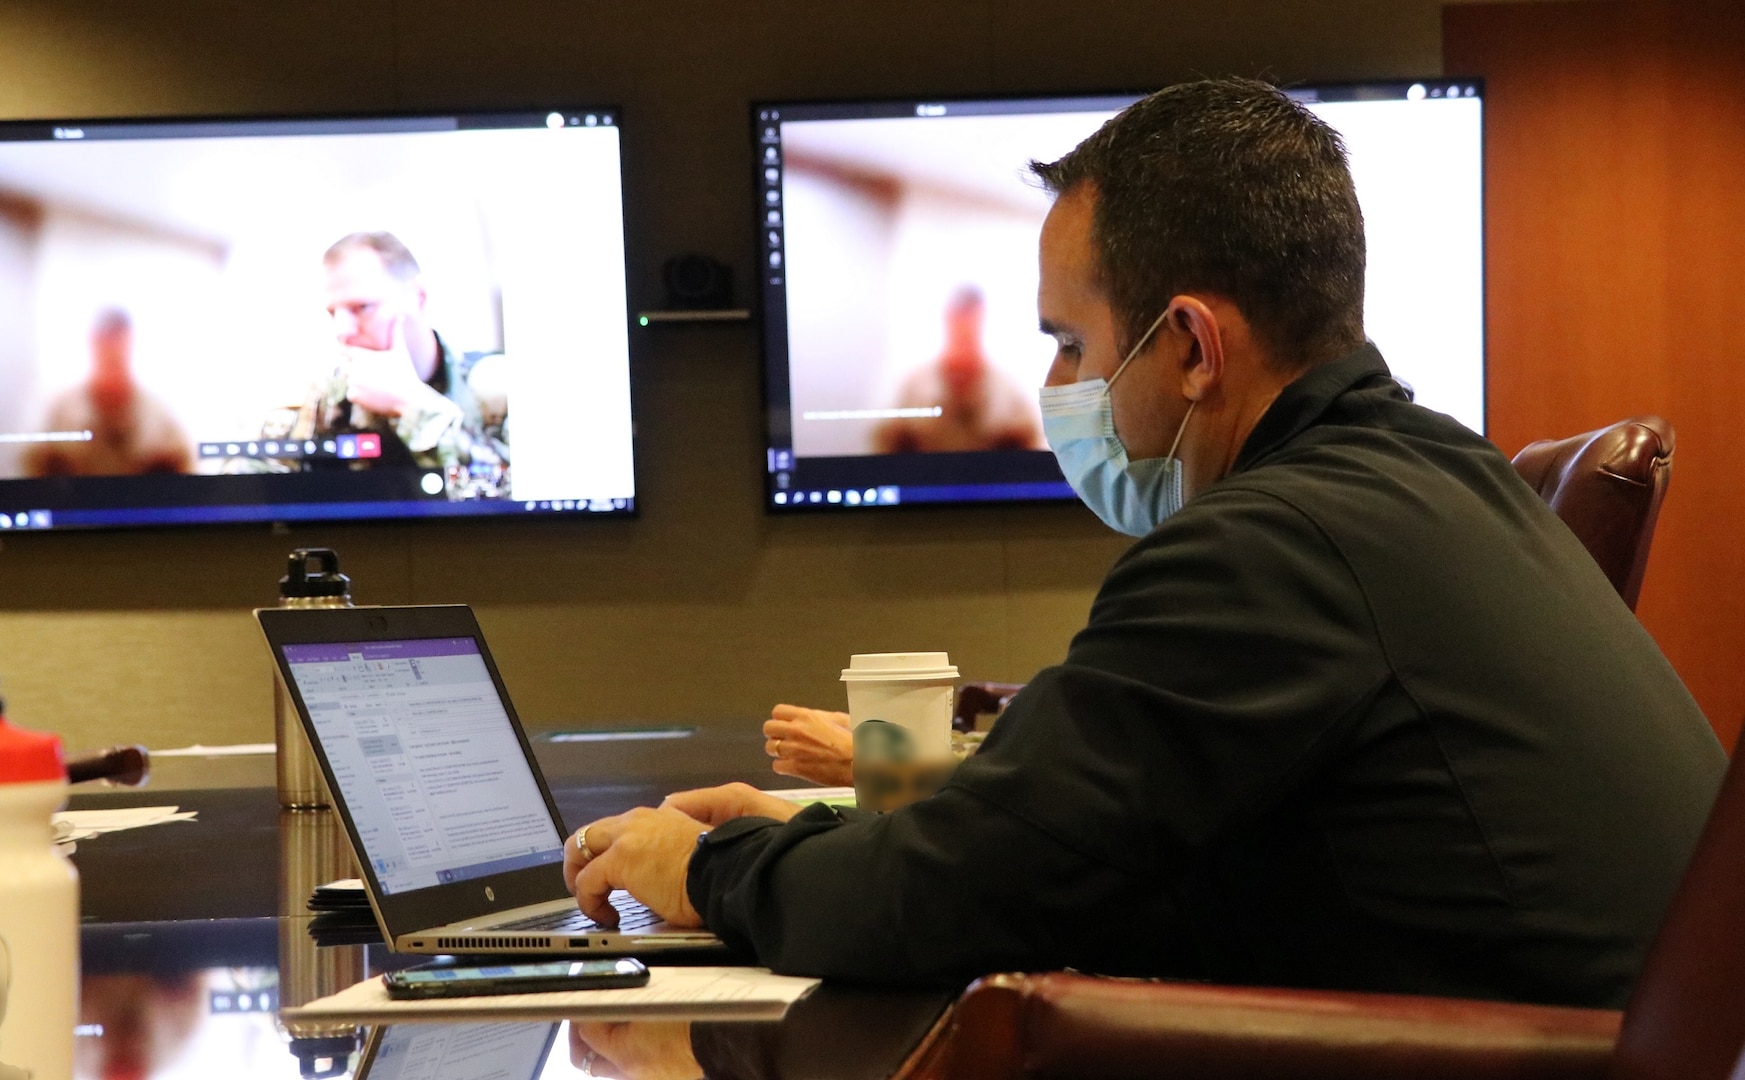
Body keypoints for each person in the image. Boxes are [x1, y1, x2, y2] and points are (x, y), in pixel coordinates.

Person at [559, 79, 1727, 1006]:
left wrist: (698, 871)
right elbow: (1098, 857)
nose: (1053, 387)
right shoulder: (1430, 477)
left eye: (1069, 343)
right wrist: (820, 834)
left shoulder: (1272, 544)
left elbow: (943, 905)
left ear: (1188, 348)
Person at [252, 232, 509, 498]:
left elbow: (514, 504)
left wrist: (414, 408)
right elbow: (246, 501)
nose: (342, 330)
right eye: (333, 313)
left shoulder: (498, 391)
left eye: (362, 307)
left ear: (418, 297)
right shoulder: (323, 401)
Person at [871, 286, 1044, 453]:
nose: (963, 330)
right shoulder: (913, 388)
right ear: (947, 320)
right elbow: (881, 452)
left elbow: (1034, 460)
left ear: (981, 321)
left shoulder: (1008, 396)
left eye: (970, 321)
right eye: (958, 319)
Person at [24, 309, 193, 477]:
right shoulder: (60, 411)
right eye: (105, 340)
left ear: (129, 343)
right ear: (93, 343)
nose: (111, 351)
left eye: (118, 340)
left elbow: (187, 475)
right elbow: (29, 471)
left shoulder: (159, 419)